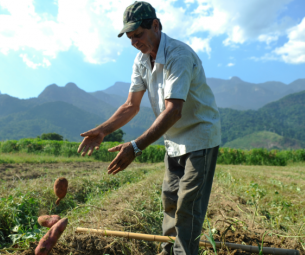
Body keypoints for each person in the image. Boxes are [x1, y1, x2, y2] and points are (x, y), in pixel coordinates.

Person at [77, 1, 221, 254]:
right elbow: (131, 105)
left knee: (188, 207)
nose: (134, 42)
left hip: (200, 137)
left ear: (155, 25)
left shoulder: (178, 55)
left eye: (138, 35)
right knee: (170, 202)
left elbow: (174, 110)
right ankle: (169, 251)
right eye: (130, 37)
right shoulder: (141, 59)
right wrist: (103, 130)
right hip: (173, 140)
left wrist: (135, 147)